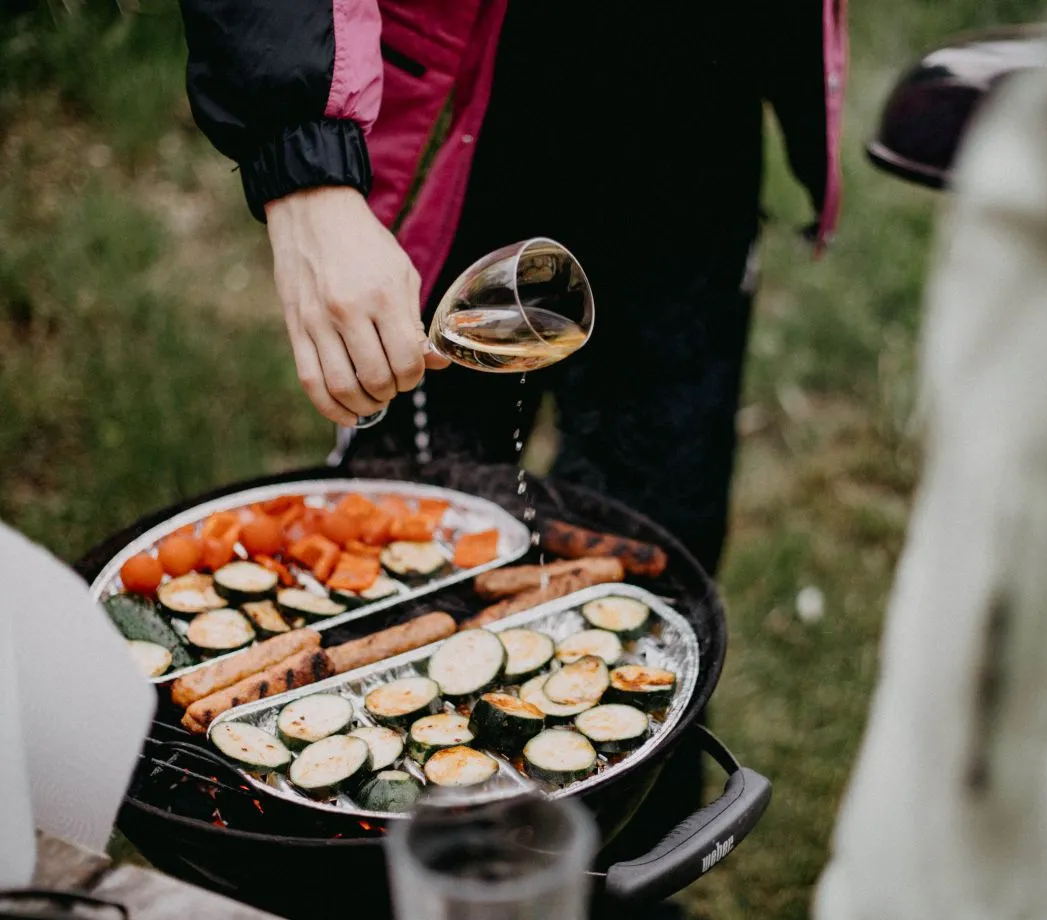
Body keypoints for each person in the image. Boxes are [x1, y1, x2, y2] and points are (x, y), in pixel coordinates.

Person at [177, 0, 845, 902]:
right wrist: (303, 162)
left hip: (702, 109)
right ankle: (395, 876)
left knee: (664, 546)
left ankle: (627, 877)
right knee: (397, 564)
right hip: (464, 100)